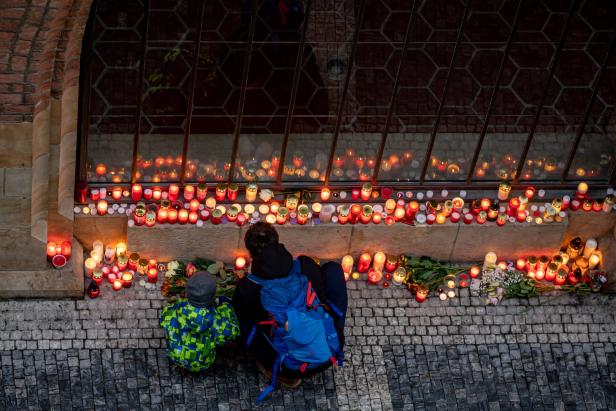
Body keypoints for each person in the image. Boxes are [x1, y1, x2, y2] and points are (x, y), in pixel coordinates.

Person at [232, 222, 348, 393]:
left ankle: (283, 375)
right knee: (332, 269)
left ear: (250, 253)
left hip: (288, 364)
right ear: (277, 242)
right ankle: (330, 329)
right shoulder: (305, 265)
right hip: (329, 350)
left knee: (244, 319)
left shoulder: (249, 287)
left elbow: (244, 320)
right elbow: (320, 296)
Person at [160, 271, 239, 372]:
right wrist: (226, 306)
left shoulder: (171, 312)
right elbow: (232, 332)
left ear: (187, 294)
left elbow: (164, 320)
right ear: (212, 297)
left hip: (177, 357)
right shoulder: (217, 322)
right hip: (202, 363)